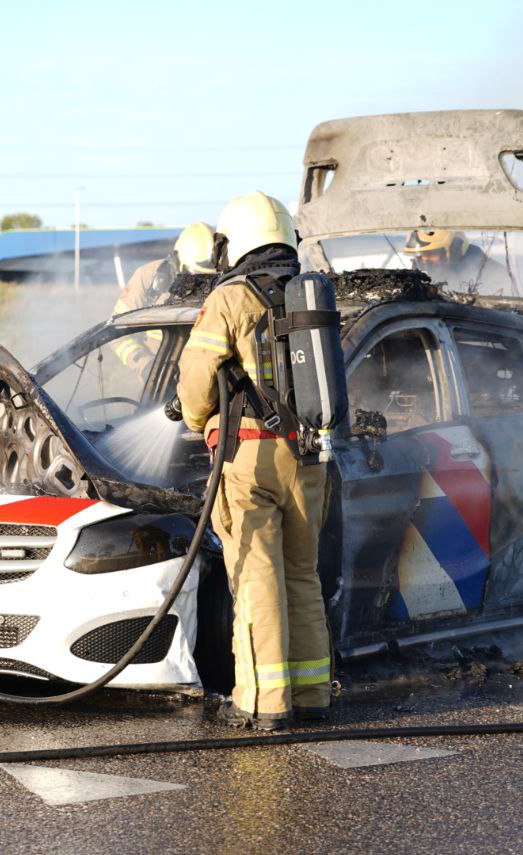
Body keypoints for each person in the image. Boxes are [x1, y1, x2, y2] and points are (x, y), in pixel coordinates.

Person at [175, 191, 331, 730]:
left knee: (256, 578)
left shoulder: (231, 298)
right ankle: (311, 694)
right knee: (301, 577)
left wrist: (197, 423)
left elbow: (197, 381)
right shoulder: (311, 291)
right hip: (311, 457)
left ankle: (264, 704)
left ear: (234, 241)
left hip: (251, 461)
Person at [111, 222, 215, 377]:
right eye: (195, 273)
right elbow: (117, 334)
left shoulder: (224, 283)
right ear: (179, 261)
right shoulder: (148, 278)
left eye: (210, 276)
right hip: (160, 382)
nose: (203, 281)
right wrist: (147, 366)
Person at [403, 229, 511, 293]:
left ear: (454, 249)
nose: (424, 259)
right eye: (420, 255)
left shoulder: (494, 275)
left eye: (430, 254)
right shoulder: (422, 274)